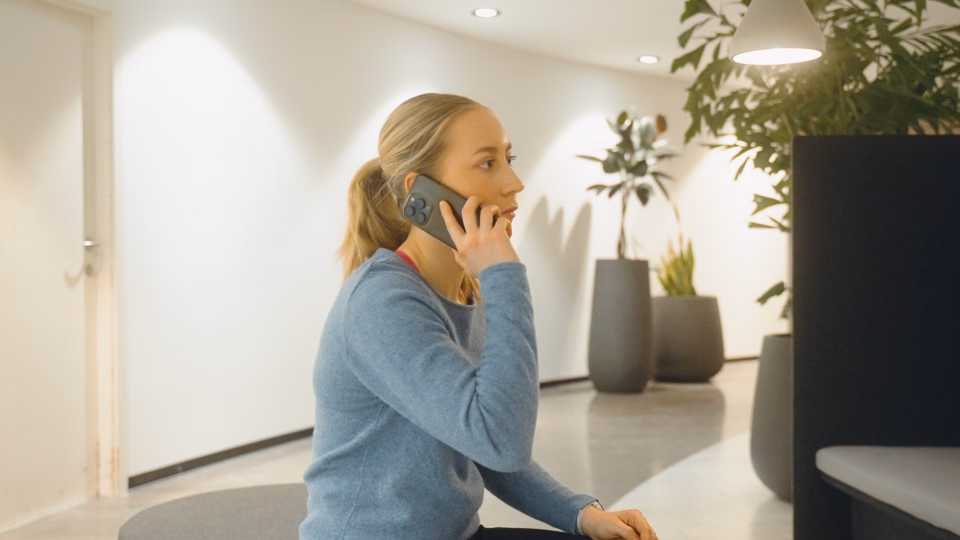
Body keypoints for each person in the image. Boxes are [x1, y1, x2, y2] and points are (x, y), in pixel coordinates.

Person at [299, 93, 658, 540]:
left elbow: (484, 445)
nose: (515, 183)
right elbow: (499, 440)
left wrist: (581, 514)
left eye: (508, 159)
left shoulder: (464, 289)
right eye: (487, 163)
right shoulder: (382, 302)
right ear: (421, 191)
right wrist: (503, 274)